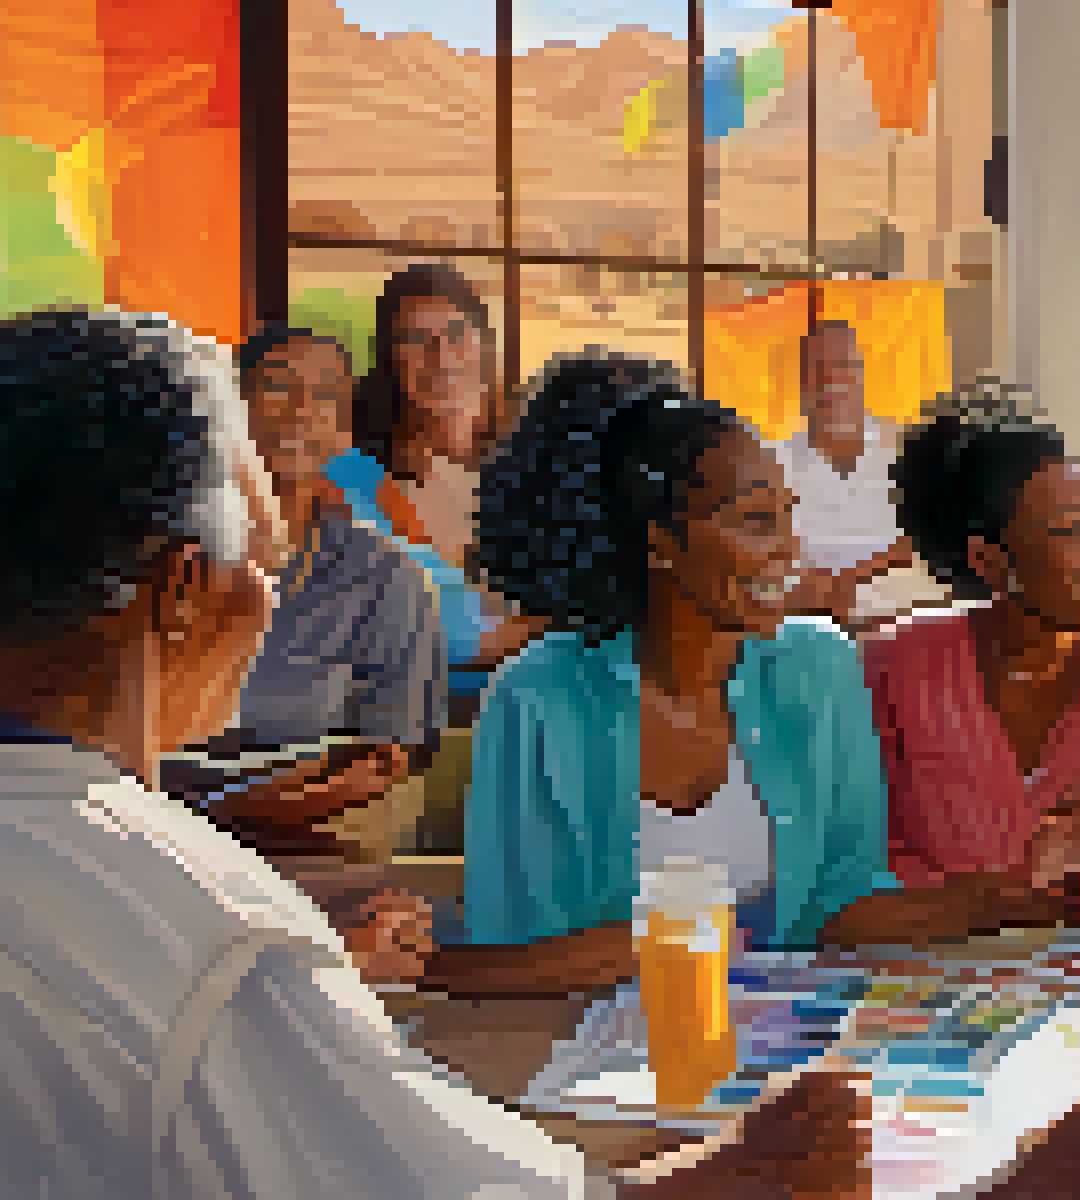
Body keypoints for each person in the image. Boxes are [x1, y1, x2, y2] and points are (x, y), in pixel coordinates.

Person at [0, 305, 973, 1198]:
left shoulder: (178, 922)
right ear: (179, 593)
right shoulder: (210, 937)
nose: (277, 598)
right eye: (261, 561)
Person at [421, 352, 1080, 1001]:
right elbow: (509, 954)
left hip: (773, 1041)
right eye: (755, 523)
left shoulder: (818, 666)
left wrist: (1005, 891)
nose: (790, 553)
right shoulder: (538, 701)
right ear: (658, 541)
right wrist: (707, 938)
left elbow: (839, 906)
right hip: (578, 1054)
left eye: (788, 518)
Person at [867, 380, 1080, 927]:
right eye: (1075, 532)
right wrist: (1024, 883)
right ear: (988, 561)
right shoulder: (894, 672)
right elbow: (858, 879)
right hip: (919, 990)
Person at [184, 325, 445, 865]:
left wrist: (241, 814)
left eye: (327, 394)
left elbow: (386, 763)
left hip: (309, 839)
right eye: (278, 386)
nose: (302, 410)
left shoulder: (386, 579)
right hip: (152, 834)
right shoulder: (165, 563)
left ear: (346, 429)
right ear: (230, 412)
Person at [327, 263, 544, 716]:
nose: (441, 356)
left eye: (455, 333)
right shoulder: (353, 476)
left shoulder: (543, 457)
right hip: (422, 708)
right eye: (414, 339)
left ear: (485, 343)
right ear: (389, 359)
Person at [772, 320, 930, 632]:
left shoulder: (908, 452)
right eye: (818, 369)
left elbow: (924, 546)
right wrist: (876, 568)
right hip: (811, 643)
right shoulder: (775, 463)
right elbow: (774, 568)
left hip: (906, 638)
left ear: (860, 373)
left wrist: (844, 580)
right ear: (802, 382)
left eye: (843, 366)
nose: (831, 381)